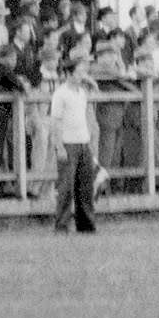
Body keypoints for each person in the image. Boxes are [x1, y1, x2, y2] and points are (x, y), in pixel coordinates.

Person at [50, 56, 97, 233]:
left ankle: (86, 225)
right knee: (66, 188)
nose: (81, 76)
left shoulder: (82, 93)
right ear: (68, 74)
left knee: (85, 187)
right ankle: (61, 225)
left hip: (83, 142)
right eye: (77, 73)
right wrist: (59, 146)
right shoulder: (61, 94)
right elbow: (55, 121)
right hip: (68, 143)